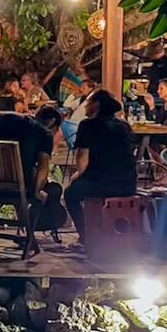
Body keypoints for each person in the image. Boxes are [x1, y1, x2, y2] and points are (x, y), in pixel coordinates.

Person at [0, 106, 65, 247]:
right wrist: (38, 191)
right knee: (49, 190)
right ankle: (30, 234)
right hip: (20, 187)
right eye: (55, 128)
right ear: (51, 122)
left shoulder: (2, 118)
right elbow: (43, 167)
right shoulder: (44, 133)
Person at [65, 91, 138, 246]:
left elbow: (81, 158)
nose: (86, 104)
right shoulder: (124, 126)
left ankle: (87, 237)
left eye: (89, 101)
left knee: (71, 194)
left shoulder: (88, 125)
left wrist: (77, 175)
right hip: (127, 183)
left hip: (100, 182)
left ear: (97, 105)